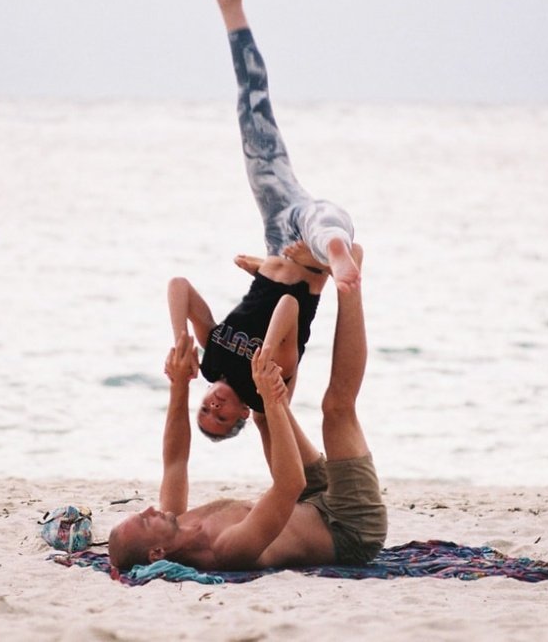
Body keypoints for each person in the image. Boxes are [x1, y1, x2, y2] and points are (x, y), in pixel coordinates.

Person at [168, 0, 363, 441]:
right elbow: (291, 312)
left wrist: (182, 341)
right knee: (323, 227)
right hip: (308, 260)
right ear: (239, 419)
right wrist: (267, 352)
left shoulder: (212, 361)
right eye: (218, 417)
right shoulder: (266, 391)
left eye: (203, 411)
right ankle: (339, 254)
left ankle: (230, 7)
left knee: (251, 110)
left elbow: (180, 286)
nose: (211, 405)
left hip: (278, 237)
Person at [108, 243, 386, 571]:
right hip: (347, 524)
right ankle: (349, 285)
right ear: (157, 553)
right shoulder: (225, 549)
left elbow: (175, 460)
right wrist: (273, 398)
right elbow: (288, 486)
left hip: (310, 500)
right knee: (336, 410)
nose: (147, 511)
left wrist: (179, 383)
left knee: (263, 417)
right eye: (143, 521)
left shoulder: (177, 521)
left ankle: (279, 280)